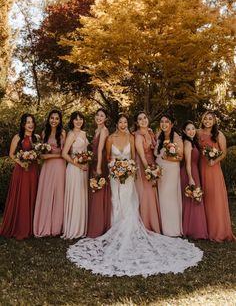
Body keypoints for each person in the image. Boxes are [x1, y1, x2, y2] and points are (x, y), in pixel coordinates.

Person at [66, 113, 202, 277]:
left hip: (129, 174)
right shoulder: (110, 138)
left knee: (129, 200)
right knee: (115, 199)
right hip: (115, 174)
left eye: (125, 122)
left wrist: (128, 168)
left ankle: (128, 228)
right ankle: (116, 227)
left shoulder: (132, 137)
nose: (123, 124)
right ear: (117, 124)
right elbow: (109, 156)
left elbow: (132, 157)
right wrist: (115, 167)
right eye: (120, 122)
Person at [198, 111, 235, 242]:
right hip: (200, 168)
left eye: (210, 119)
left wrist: (214, 161)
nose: (207, 121)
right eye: (205, 118)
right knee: (204, 197)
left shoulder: (219, 134)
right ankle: (204, 229)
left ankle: (218, 230)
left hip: (213, 169)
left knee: (215, 198)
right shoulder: (198, 133)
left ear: (214, 121)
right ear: (202, 120)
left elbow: (223, 153)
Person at [0, 114, 39, 239]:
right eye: (28, 122)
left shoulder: (37, 137)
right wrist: (22, 162)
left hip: (33, 169)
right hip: (22, 170)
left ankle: (33, 227)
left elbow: (40, 153)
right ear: (23, 124)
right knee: (22, 196)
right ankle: (20, 226)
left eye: (32, 122)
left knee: (33, 194)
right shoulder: (18, 137)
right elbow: (11, 154)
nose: (30, 124)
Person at [33, 110, 66, 237]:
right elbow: (41, 155)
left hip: (58, 167)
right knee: (46, 193)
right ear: (48, 119)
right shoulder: (44, 133)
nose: (54, 120)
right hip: (46, 168)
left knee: (58, 193)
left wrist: (49, 156)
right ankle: (44, 224)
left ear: (60, 120)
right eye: (52, 118)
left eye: (57, 118)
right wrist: (45, 155)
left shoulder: (63, 133)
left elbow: (64, 154)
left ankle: (56, 227)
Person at [154, 112, 183, 237]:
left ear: (171, 124)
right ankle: (163, 227)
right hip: (160, 171)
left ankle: (172, 229)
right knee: (161, 197)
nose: (164, 124)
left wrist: (167, 157)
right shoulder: (159, 136)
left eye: (166, 122)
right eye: (162, 122)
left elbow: (180, 157)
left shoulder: (176, 137)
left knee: (169, 197)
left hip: (171, 170)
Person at [62, 111, 89, 239]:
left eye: (81, 119)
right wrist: (78, 165)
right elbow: (64, 154)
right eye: (76, 119)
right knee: (75, 196)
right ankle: (73, 228)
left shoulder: (83, 133)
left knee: (82, 196)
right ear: (72, 121)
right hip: (74, 169)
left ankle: (82, 227)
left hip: (84, 168)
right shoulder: (71, 134)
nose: (78, 121)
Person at [134, 111, 161, 233]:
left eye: (145, 117)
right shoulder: (138, 136)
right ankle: (146, 223)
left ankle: (155, 222)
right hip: (144, 166)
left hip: (153, 164)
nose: (143, 120)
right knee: (146, 193)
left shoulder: (150, 132)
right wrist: (149, 171)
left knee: (153, 191)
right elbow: (141, 155)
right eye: (140, 119)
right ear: (137, 122)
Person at [180, 121, 208, 239]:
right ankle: (191, 229)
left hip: (194, 171)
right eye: (188, 129)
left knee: (195, 198)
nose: (191, 131)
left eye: (193, 129)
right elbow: (187, 163)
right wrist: (191, 178)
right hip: (189, 173)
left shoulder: (193, 142)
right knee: (191, 199)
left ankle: (196, 227)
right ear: (184, 132)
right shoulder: (187, 143)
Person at [87, 108, 111, 237]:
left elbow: (101, 149)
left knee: (99, 192)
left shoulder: (104, 130)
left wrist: (99, 168)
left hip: (100, 163)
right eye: (97, 115)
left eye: (102, 116)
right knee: (95, 191)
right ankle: (94, 223)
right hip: (95, 161)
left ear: (105, 118)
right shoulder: (96, 130)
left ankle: (98, 226)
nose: (99, 117)